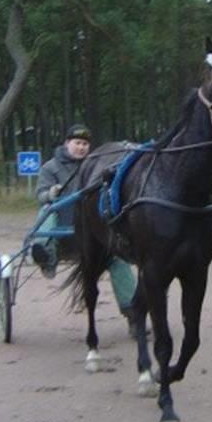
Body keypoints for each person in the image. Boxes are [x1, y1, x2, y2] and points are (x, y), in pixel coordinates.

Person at [31, 124, 139, 331]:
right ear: (67, 144)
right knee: (47, 209)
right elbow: (40, 195)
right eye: (77, 143)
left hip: (92, 231)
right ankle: (45, 253)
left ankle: (133, 314)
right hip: (62, 229)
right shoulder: (50, 168)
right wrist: (51, 194)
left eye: (85, 144)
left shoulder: (97, 167)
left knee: (117, 261)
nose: (81, 147)